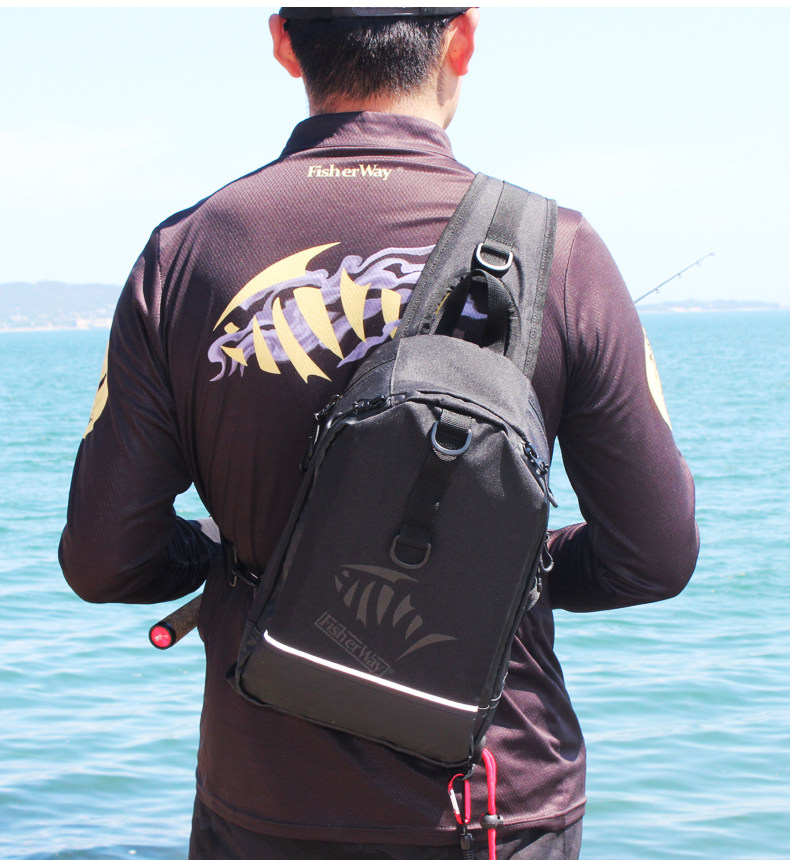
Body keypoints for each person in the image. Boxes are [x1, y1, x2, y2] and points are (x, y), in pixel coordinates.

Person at [60, 8, 699, 860]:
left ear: (284, 43)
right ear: (462, 39)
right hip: (490, 805)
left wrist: (234, 555)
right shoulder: (561, 252)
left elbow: (105, 559)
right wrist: (499, 571)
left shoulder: (185, 253)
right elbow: (653, 556)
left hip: (263, 798)